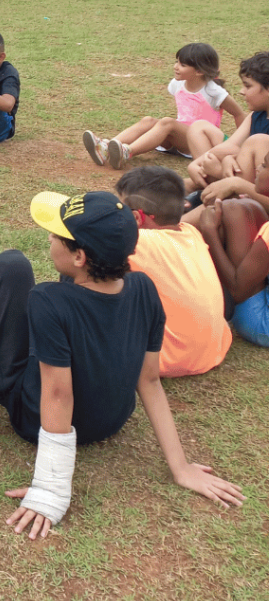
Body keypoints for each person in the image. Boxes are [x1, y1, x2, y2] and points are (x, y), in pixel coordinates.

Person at [0, 189, 243, 540]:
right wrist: (179, 468)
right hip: (110, 421)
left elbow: (58, 395)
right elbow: (149, 381)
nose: (48, 237)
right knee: (67, 307)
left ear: (79, 256)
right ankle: (17, 355)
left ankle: (2, 367)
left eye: (57, 235)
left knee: (10, 265)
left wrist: (51, 489)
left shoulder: (47, 299)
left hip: (35, 419)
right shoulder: (143, 286)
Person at [114, 166, 232, 377]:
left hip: (164, 361)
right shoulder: (190, 232)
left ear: (137, 218)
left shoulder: (140, 241)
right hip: (213, 352)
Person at [82, 42, 243, 170]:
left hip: (196, 142)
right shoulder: (177, 84)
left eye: (182, 65)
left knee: (167, 122)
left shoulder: (214, 92)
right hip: (176, 139)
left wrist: (239, 144)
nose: (175, 66)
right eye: (176, 62)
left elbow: (238, 113)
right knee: (149, 120)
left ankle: (127, 152)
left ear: (199, 71)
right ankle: (106, 147)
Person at [188, 52, 269, 191]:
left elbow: (262, 174)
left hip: (255, 187)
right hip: (242, 167)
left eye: (248, 86)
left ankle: (214, 186)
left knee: (255, 142)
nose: (242, 91)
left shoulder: (259, 141)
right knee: (199, 127)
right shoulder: (256, 115)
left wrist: (220, 170)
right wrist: (197, 163)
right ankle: (205, 179)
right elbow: (231, 145)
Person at [198, 193, 269, 347]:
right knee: (246, 206)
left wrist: (209, 233)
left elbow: (237, 293)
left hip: (262, 323)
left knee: (233, 209)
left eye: (264, 167)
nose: (258, 169)